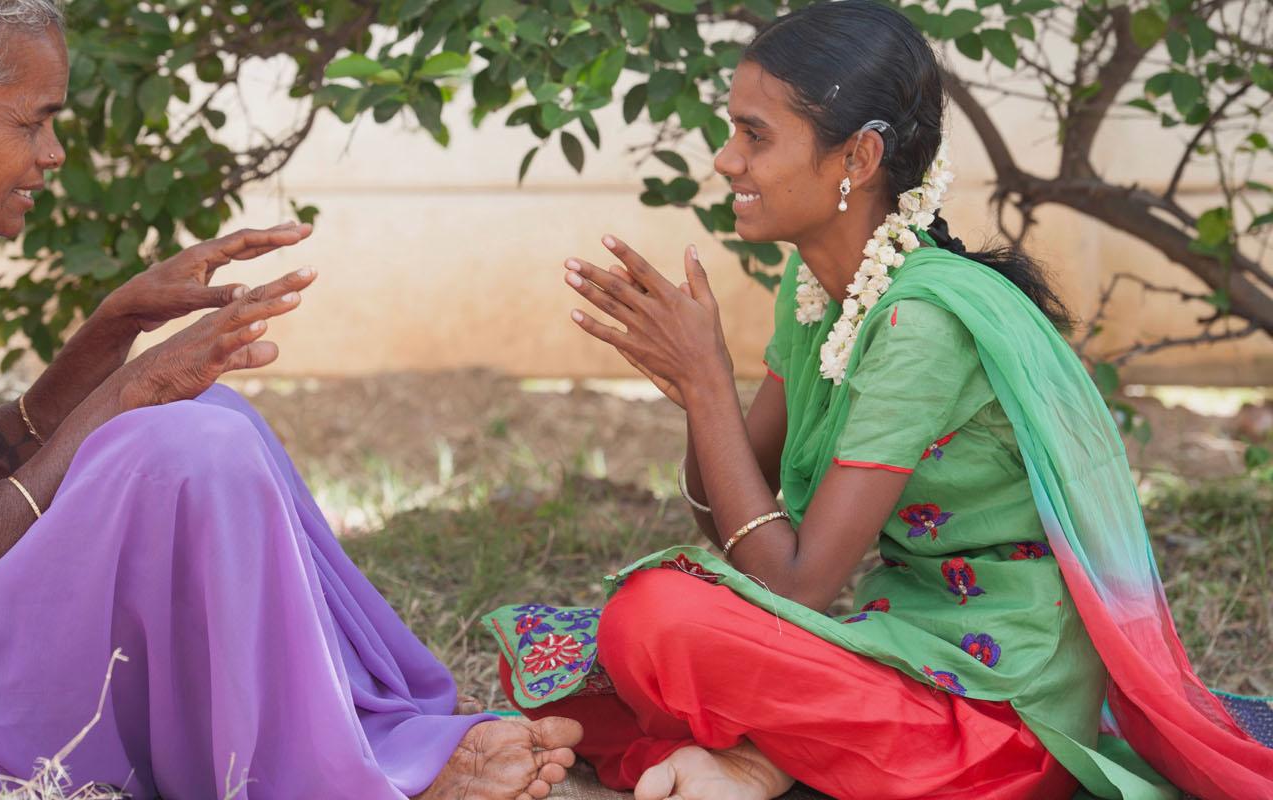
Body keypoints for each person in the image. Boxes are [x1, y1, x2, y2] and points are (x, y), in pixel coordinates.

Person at [0, 2, 582, 797]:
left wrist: (109, 335)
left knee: (205, 422)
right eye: (33, 123)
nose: (51, 155)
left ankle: (358, 738)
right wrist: (128, 390)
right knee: (185, 449)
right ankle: (338, 775)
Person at [483, 3, 1273, 798]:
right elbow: (726, 521)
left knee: (651, 622)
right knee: (624, 635)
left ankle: (755, 761)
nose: (726, 161)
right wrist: (700, 394)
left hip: (999, 717)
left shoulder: (920, 323)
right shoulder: (819, 290)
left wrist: (709, 385)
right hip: (896, 644)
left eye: (754, 135)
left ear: (856, 157)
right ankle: (753, 763)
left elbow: (795, 588)